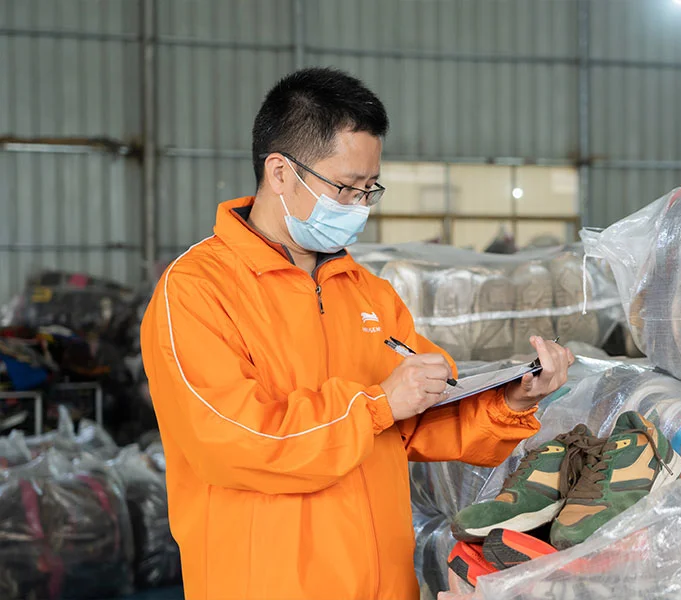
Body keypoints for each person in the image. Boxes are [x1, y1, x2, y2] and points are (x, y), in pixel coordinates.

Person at [140, 67, 574, 600]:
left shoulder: (368, 293)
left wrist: (508, 399)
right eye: (345, 187)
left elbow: (419, 421)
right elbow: (234, 442)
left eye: (370, 189)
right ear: (280, 172)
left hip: (383, 583)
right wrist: (375, 405)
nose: (358, 205)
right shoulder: (196, 291)